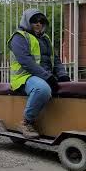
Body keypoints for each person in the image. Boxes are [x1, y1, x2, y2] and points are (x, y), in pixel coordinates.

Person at [8, 8, 70, 139]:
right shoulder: (19, 37)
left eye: (41, 21)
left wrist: (63, 75)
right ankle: (26, 122)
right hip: (24, 77)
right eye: (34, 21)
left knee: (72, 87)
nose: (38, 24)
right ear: (26, 21)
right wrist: (47, 77)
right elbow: (26, 62)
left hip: (43, 76)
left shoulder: (46, 39)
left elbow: (56, 60)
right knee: (42, 89)